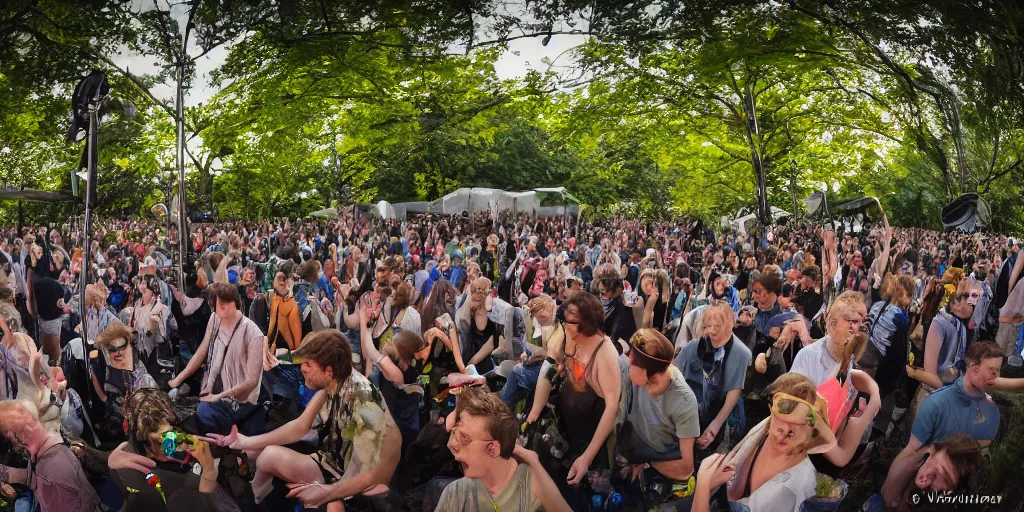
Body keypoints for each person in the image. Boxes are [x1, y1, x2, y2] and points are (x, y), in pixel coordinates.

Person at [203, 329, 403, 511]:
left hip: (362, 484)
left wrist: (328, 493)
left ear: (328, 370)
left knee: (333, 506)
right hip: (335, 465)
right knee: (266, 455)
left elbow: (372, 475)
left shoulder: (362, 400)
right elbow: (299, 426)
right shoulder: (336, 381)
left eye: (308, 364)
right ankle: (251, 501)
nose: (302, 369)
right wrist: (245, 441)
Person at [526, 291, 621, 504]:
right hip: (567, 432)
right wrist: (532, 417)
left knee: (585, 498)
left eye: (567, 321)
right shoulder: (569, 337)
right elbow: (548, 370)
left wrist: (587, 457)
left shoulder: (605, 353)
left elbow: (612, 407)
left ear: (584, 323)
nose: (563, 324)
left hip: (592, 440)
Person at [693, 373, 835, 512]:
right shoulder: (764, 428)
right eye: (782, 415)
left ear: (811, 429)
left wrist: (703, 486)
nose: (785, 431)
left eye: (798, 422)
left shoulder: (787, 491)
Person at [434, 387, 570, 512]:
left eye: (465, 438)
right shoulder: (455, 493)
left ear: (492, 449)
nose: (455, 445)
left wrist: (533, 463)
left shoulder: (533, 495)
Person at [789, 290, 880, 471]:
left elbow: (842, 379)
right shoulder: (808, 357)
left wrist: (872, 388)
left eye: (860, 322)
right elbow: (794, 411)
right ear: (831, 324)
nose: (856, 329)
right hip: (802, 453)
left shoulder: (846, 353)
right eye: (850, 321)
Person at [168, 283, 265, 435]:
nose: (217, 308)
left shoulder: (253, 333)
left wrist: (218, 397)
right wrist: (178, 379)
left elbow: (251, 382)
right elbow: (202, 351)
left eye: (222, 304)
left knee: (202, 412)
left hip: (240, 403)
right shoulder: (215, 319)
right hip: (216, 393)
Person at [619, 329, 700, 505]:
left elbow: (687, 467)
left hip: (665, 464)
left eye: (653, 382)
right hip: (636, 452)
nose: (647, 388)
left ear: (665, 370)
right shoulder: (634, 374)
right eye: (642, 383)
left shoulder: (684, 401)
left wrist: (649, 464)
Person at [111, 388, 220, 512]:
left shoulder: (129, 450)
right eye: (164, 431)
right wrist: (209, 471)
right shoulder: (167, 486)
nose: (171, 431)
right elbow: (204, 503)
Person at [674, 301, 751, 457]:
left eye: (717, 326)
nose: (712, 331)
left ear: (730, 324)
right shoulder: (691, 349)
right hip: (683, 418)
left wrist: (714, 427)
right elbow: (673, 378)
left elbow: (734, 391)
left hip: (716, 420)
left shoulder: (741, 353)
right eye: (709, 326)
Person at [0, 400, 103, 512]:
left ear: (21, 437)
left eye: (13, 442)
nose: (15, 449)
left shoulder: (52, 467)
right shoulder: (50, 451)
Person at [358, 302, 430, 452]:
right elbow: (368, 355)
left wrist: (364, 321)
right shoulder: (405, 366)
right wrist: (366, 325)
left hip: (399, 431)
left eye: (394, 341)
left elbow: (371, 352)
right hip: (398, 426)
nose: (390, 342)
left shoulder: (397, 374)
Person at [870, 433, 982, 512]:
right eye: (936, 470)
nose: (924, 480)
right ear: (930, 452)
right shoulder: (907, 466)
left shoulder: (938, 504)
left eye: (945, 479)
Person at [594, 263, 638, 346]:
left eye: (603, 293)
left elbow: (617, 337)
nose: (601, 296)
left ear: (615, 288)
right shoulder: (615, 302)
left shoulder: (625, 306)